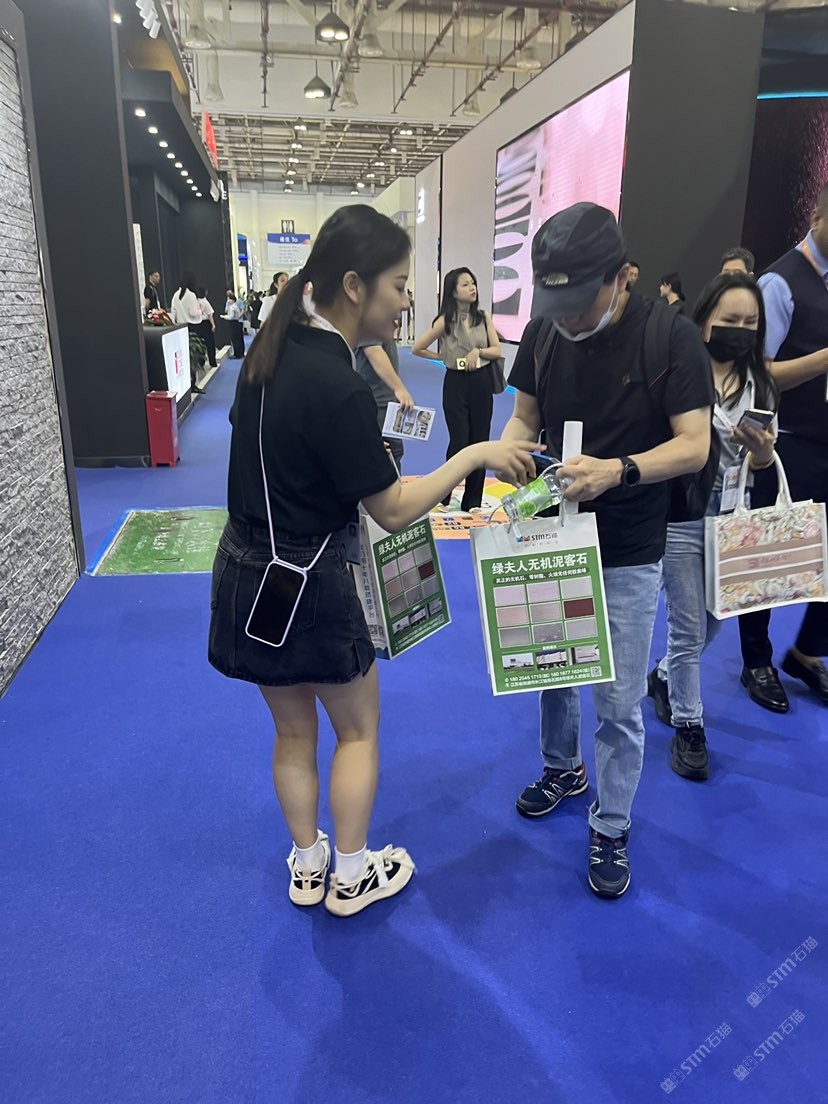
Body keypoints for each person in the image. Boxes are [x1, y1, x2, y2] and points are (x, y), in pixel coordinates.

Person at [207, 205, 537, 917]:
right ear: (353, 286)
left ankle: (308, 865)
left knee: (292, 731)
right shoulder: (338, 384)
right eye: (397, 284)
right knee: (356, 732)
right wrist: (475, 456)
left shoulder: (270, 355)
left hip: (246, 571)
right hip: (314, 581)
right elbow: (392, 508)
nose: (404, 300)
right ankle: (352, 876)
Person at [502, 202, 713, 898]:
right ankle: (562, 768)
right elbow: (524, 416)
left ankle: (612, 823)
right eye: (553, 304)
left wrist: (617, 470)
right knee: (552, 670)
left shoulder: (668, 336)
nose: (564, 319)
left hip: (627, 543)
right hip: (552, 531)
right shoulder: (544, 330)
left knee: (618, 698)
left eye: (578, 303)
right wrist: (510, 455)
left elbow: (694, 444)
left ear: (623, 277)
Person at [647, 273, 778, 780]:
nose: (739, 330)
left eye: (750, 322)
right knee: (687, 628)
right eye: (730, 320)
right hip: (682, 515)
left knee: (716, 620)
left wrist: (761, 453)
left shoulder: (760, 385)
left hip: (733, 522)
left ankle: (663, 676)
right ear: (705, 321)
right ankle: (690, 727)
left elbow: (764, 463)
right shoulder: (681, 372)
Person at [737, 181, 828, 710]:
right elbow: (756, 371)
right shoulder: (779, 282)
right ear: (816, 217)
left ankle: (808, 653)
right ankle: (756, 661)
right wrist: (822, 360)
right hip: (785, 442)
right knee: (768, 556)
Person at [412, 268, 502, 514]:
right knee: (459, 440)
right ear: (453, 291)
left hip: (481, 381)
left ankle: (473, 501)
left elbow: (496, 350)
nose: (472, 288)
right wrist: (443, 357)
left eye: (473, 283)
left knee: (480, 440)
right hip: (455, 383)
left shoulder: (483, 317)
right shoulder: (445, 320)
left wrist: (478, 352)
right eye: (465, 284)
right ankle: (443, 496)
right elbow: (418, 348)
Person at [355, 338, 415, 471]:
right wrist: (399, 388)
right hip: (375, 400)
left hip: (385, 400)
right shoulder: (370, 327)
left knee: (393, 451)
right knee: (383, 454)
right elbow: (373, 351)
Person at [170, 270, 205, 393]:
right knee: (194, 357)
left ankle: (185, 384)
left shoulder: (176, 295)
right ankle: (193, 383)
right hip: (193, 328)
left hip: (180, 328)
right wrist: (201, 310)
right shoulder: (191, 295)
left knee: (183, 357)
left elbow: (173, 313)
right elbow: (193, 313)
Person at [197, 286, 218, 369]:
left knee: (200, 344)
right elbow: (210, 315)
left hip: (197, 323)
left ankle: (201, 363)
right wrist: (213, 325)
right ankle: (212, 362)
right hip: (206, 324)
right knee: (210, 344)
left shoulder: (195, 301)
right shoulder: (205, 302)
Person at [224, 288, 246, 359]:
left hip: (238, 321)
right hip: (232, 321)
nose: (228, 294)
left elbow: (242, 310)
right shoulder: (228, 302)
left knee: (239, 338)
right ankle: (237, 352)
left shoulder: (239, 301)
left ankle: (240, 353)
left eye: (229, 293)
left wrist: (238, 316)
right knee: (235, 338)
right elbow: (226, 310)